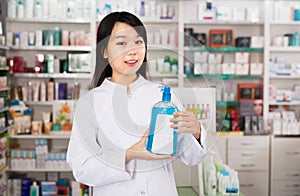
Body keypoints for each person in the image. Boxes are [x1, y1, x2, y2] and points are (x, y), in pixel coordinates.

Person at [67, 11, 206, 196]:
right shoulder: (90, 103)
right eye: (121, 43)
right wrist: (129, 154)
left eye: (138, 42)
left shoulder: (164, 95)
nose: (132, 50)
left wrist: (196, 132)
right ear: (105, 51)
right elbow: (82, 168)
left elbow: (192, 157)